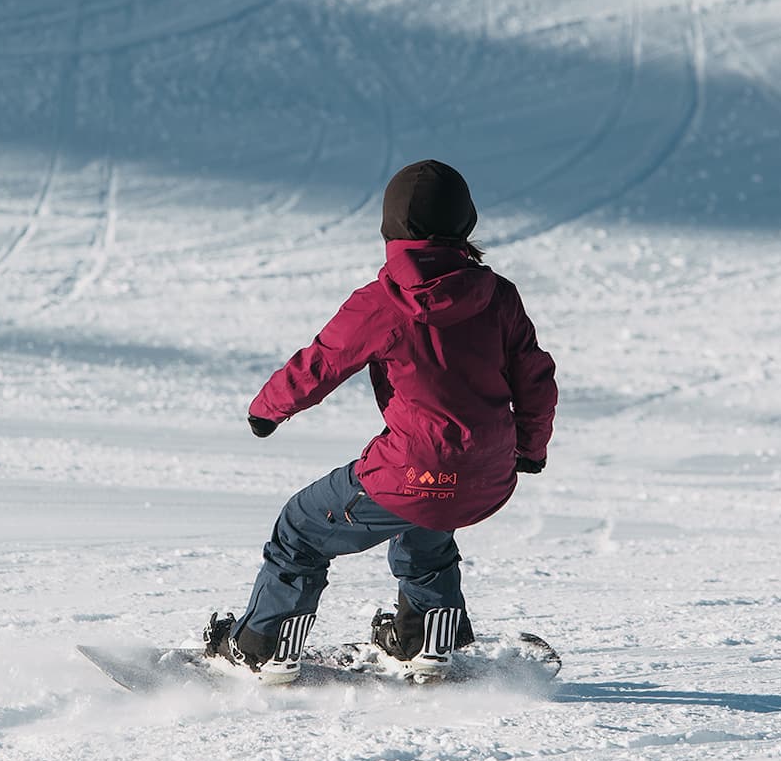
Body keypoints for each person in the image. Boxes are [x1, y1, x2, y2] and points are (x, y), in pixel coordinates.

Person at [203, 159, 558, 682]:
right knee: (426, 522)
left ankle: (263, 645)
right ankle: (426, 637)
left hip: (413, 469)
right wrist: (531, 449)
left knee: (301, 528)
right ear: (465, 222)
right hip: (486, 471)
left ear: (391, 226)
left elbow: (321, 362)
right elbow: (535, 378)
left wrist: (266, 409)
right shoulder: (498, 296)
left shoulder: (382, 302)